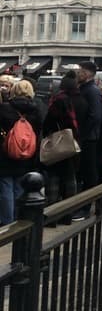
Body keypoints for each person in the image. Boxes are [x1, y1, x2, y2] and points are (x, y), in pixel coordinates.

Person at [0, 79, 44, 225]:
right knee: (20, 186)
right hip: (27, 154)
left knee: (6, 186)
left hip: (6, 153)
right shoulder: (36, 110)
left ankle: (7, 220)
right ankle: (18, 220)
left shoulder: (5, 108)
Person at [42, 74, 81, 207]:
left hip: (58, 143)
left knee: (54, 178)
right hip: (72, 143)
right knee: (70, 177)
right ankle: (69, 212)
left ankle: (52, 213)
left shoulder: (59, 100)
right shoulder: (79, 99)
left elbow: (48, 122)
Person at [75, 62, 102, 220]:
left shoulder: (92, 91)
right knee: (84, 173)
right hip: (86, 137)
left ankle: (85, 208)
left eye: (80, 71)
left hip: (89, 139)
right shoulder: (86, 89)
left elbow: (96, 116)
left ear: (87, 73)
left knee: (89, 174)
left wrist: (83, 134)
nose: (78, 73)